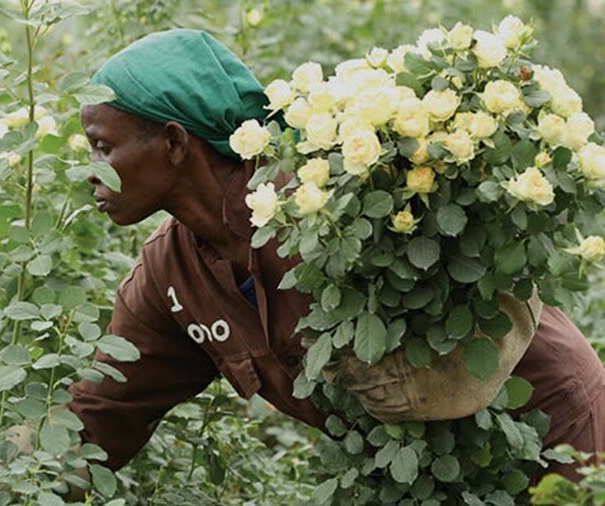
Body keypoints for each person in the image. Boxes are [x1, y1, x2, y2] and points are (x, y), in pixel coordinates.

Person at [67, 29, 605, 481]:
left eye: (103, 146)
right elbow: (102, 414)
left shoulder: (331, 201)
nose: (90, 170)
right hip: (419, 476)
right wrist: (25, 479)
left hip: (550, 433)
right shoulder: (170, 276)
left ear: (174, 143)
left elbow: (495, 279)